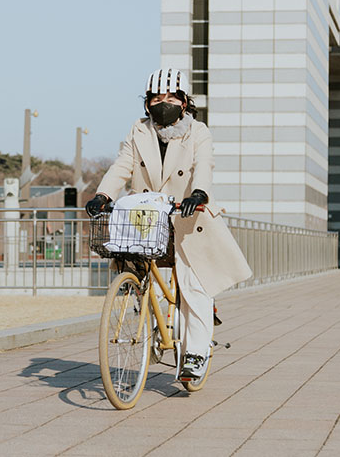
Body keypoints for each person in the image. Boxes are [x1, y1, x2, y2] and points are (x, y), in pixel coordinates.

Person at [86, 68, 252, 380]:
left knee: (192, 285)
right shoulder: (139, 130)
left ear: (184, 102)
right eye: (157, 97)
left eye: (172, 97)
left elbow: (204, 163)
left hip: (188, 214)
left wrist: (199, 192)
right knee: (139, 273)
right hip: (149, 217)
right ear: (147, 103)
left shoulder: (198, 131)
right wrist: (104, 194)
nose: (165, 102)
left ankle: (195, 354)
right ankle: (152, 320)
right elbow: (123, 163)